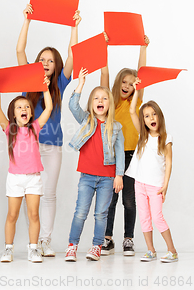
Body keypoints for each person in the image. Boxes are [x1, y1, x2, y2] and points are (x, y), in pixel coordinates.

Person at [16, 4, 81, 256]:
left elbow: (72, 54)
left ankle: (45, 240)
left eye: (50, 60)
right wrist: (27, 21)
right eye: (42, 59)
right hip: (28, 147)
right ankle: (34, 241)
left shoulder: (60, 84)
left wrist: (74, 26)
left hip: (53, 147)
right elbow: (20, 49)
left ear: (56, 67)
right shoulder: (26, 81)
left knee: (49, 194)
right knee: (29, 193)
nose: (45, 62)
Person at [65, 68, 124, 262]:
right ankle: (72, 246)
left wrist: (119, 175)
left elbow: (120, 153)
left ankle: (97, 246)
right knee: (81, 212)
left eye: (104, 98)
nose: (100, 101)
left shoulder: (115, 127)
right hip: (87, 177)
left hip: (107, 178)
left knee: (101, 214)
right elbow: (73, 105)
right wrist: (80, 84)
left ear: (110, 104)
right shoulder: (87, 120)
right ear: (91, 103)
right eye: (96, 98)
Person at [0, 75, 52, 263]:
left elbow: (49, 107)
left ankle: (33, 248)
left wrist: (45, 87)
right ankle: (8, 248)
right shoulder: (9, 129)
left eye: (26, 106)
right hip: (15, 179)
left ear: (31, 113)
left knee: (34, 214)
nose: (24, 109)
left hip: (34, 178)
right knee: (12, 215)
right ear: (14, 114)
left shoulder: (35, 127)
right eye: (19, 107)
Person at [100, 34, 150, 256]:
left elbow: (143, 72)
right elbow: (104, 74)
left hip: (133, 156)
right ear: (118, 82)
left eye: (132, 83)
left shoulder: (136, 102)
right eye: (124, 81)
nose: (127, 86)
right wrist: (104, 48)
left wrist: (143, 47)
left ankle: (128, 239)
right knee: (110, 200)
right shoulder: (109, 100)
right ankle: (107, 238)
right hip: (112, 155)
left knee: (130, 200)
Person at [126, 82, 177, 262]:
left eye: (154, 114)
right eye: (147, 116)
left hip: (156, 186)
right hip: (139, 183)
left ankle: (172, 251)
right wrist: (136, 89)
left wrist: (165, 185)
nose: (151, 118)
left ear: (159, 116)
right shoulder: (143, 136)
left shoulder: (166, 138)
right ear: (144, 120)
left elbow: (169, 163)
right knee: (145, 218)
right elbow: (133, 111)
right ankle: (151, 250)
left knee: (157, 217)